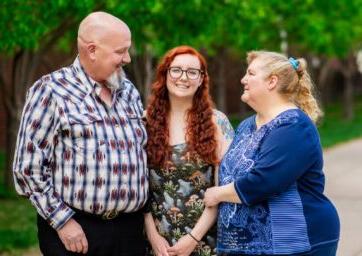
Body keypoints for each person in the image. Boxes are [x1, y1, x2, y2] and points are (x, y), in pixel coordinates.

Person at [12, 12, 148, 255]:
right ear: (92, 50)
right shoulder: (51, 91)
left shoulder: (128, 91)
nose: (127, 58)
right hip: (77, 232)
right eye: (120, 51)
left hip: (130, 232)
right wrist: (62, 221)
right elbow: (27, 169)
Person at [204, 51, 340, 256]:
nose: (243, 79)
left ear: (272, 81)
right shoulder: (247, 125)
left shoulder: (293, 126)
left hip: (296, 241)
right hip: (250, 246)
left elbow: (263, 181)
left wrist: (217, 194)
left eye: (250, 74)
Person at [144, 45, 234, 256]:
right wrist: (153, 236)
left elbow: (224, 189)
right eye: (176, 70)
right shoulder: (145, 121)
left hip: (205, 240)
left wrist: (193, 239)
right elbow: (139, 189)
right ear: (165, 74)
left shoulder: (217, 123)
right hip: (156, 244)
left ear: (202, 79)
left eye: (192, 72)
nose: (183, 77)